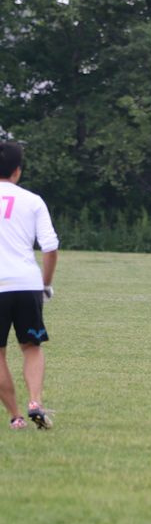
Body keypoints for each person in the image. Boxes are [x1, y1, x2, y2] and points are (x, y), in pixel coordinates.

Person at [0, 141, 59, 430]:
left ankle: (16, 417)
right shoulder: (33, 200)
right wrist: (45, 284)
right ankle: (35, 402)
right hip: (27, 283)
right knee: (31, 347)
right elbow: (50, 247)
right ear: (17, 171)